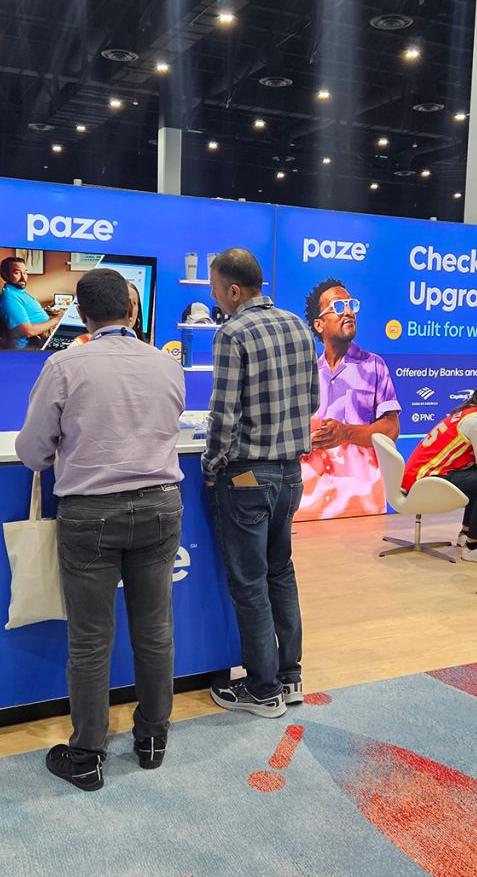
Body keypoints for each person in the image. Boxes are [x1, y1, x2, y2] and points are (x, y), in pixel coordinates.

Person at [15, 268, 185, 792]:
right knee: (154, 631)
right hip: (161, 506)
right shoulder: (167, 364)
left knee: (90, 639)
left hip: (90, 514)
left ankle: (88, 755)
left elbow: (32, 452)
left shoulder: (64, 365)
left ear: (81, 314)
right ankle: (152, 740)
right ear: (132, 311)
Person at [202, 248, 319, 718]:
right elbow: (313, 399)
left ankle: (262, 688)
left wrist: (212, 464)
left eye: (215, 290)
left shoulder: (232, 333)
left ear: (234, 290)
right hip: (291, 473)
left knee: (250, 582)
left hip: (248, 475)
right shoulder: (298, 325)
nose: (214, 298)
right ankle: (290, 678)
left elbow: (223, 414)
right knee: (280, 572)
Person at [297, 278, 401, 520]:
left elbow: (392, 429)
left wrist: (346, 433)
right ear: (319, 324)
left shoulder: (374, 366)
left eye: (351, 304)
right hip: (308, 501)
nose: (348, 312)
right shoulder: (306, 371)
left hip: (362, 500)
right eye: (338, 306)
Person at [401, 380, 477, 565]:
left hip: (418, 478)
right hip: (425, 482)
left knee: (476, 475)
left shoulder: (469, 413)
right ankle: (474, 547)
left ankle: (467, 534)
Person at [0, 257, 61, 349]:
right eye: (17, 273)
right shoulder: (8, 297)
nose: (23, 277)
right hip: (35, 343)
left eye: (25, 273)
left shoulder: (18, 292)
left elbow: (30, 313)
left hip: (45, 332)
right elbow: (28, 332)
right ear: (5, 275)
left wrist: (49, 313)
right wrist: (57, 319)